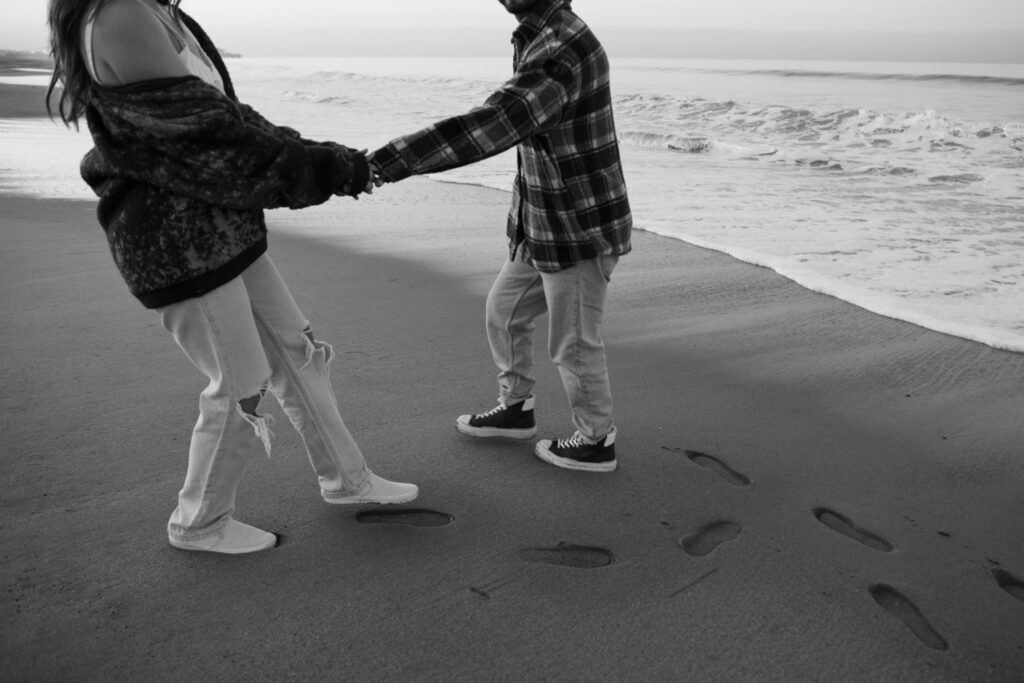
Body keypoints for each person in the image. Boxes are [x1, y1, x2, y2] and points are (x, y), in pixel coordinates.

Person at [45, 0, 418, 555]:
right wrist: (327, 168)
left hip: (221, 224)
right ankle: (199, 522)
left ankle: (349, 479)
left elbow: (234, 116)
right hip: (177, 240)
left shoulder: (156, 9)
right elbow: (212, 135)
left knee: (298, 352)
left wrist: (327, 157)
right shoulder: (120, 12)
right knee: (240, 384)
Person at [369, 0, 631, 473]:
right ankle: (516, 409)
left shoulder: (560, 49)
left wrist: (385, 162)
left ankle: (596, 440)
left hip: (578, 225)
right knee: (504, 312)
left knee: (573, 342)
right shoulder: (536, 34)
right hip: (542, 222)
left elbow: (496, 123)